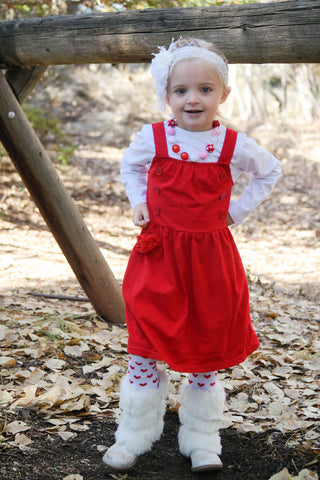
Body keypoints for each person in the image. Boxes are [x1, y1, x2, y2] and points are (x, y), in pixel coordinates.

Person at [103, 37, 282, 473]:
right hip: (159, 257)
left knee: (206, 344)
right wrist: (137, 200)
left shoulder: (232, 145)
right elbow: (130, 166)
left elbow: (270, 172)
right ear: (167, 95)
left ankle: (201, 436)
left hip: (210, 263)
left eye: (205, 88)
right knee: (145, 341)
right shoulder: (154, 137)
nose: (193, 98)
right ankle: (135, 431)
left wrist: (233, 212)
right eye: (181, 90)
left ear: (224, 94)